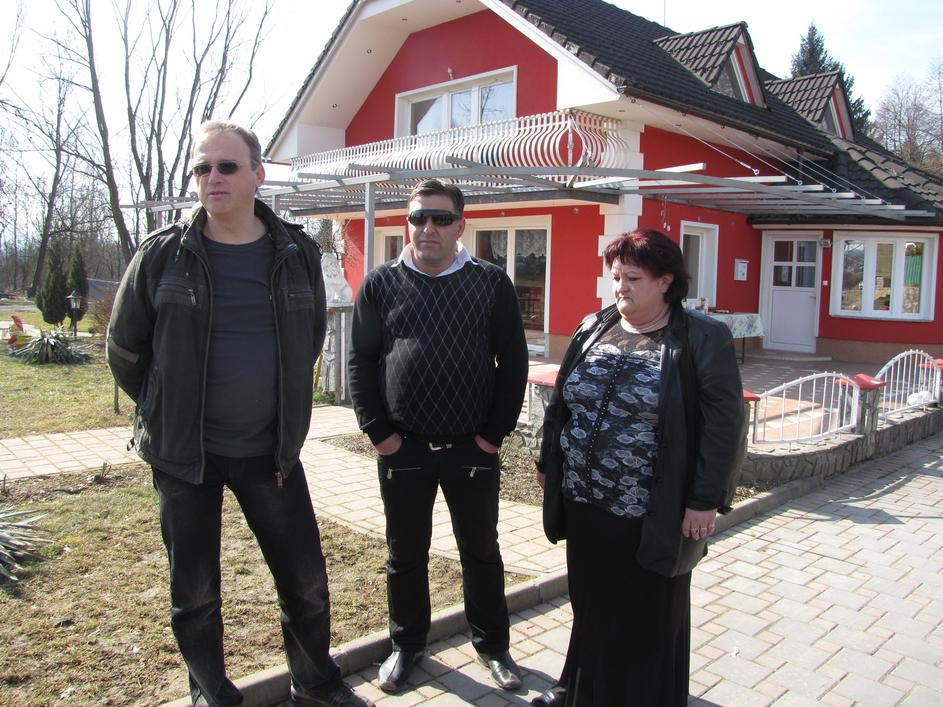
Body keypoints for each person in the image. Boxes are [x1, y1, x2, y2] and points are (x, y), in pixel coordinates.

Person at [107, 120, 373, 707]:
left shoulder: (296, 253)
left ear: (257, 174)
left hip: (268, 452)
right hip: (185, 458)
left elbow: (308, 339)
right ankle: (212, 694)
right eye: (202, 168)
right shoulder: (163, 255)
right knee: (195, 594)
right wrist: (163, 406)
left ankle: (315, 684)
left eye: (226, 166)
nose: (213, 178)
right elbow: (124, 349)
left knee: (305, 581)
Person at [532, 229, 745, 706]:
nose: (620, 288)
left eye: (633, 278)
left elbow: (725, 426)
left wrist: (705, 499)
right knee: (591, 606)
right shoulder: (594, 325)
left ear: (666, 281)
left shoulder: (701, 338)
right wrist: (549, 461)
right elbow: (562, 401)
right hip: (586, 500)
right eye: (615, 277)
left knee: (647, 617)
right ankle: (579, 692)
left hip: (651, 509)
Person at [348, 179, 529, 694]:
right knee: (405, 554)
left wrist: (492, 437)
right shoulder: (380, 284)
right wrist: (380, 435)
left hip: (472, 449)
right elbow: (361, 361)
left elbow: (513, 362)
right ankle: (406, 646)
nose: (428, 227)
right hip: (404, 448)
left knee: (481, 551)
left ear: (460, 225)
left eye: (441, 218)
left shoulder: (491, 283)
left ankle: (493, 647)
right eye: (418, 217)